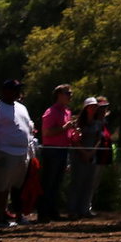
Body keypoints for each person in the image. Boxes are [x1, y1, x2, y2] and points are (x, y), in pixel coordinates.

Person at [0, 79, 35, 226]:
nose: (18, 92)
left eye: (19, 89)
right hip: (5, 152)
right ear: (5, 91)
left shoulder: (21, 107)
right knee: (0, 186)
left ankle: (19, 216)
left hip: (22, 153)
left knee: (17, 186)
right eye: (15, 89)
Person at [36, 83, 75, 222]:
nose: (70, 96)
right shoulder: (51, 112)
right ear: (59, 95)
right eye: (67, 93)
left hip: (63, 149)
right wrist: (65, 128)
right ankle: (43, 213)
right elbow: (47, 132)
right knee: (48, 182)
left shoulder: (67, 112)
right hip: (52, 150)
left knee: (57, 182)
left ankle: (53, 211)